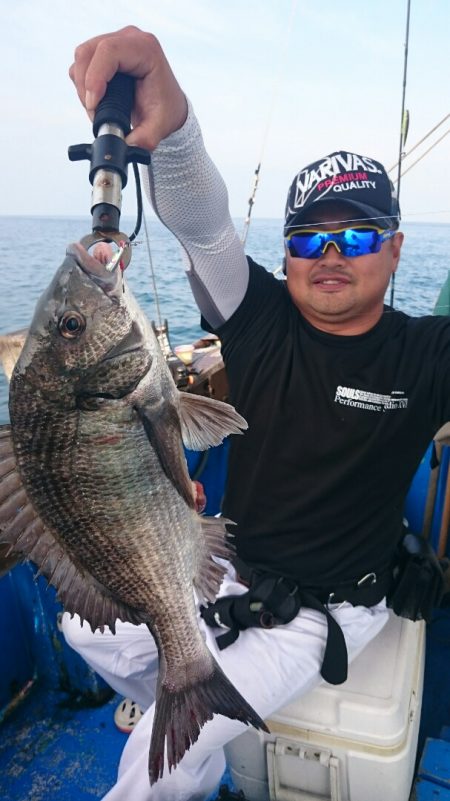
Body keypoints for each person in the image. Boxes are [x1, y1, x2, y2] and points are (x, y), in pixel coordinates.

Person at [62, 26, 450, 801]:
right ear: (288, 255)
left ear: (396, 249)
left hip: (323, 608)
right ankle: (188, 715)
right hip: (224, 565)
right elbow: (204, 222)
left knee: (159, 759)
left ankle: (184, 731)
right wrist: (174, 130)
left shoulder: (428, 354)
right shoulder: (258, 315)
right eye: (309, 239)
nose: (331, 254)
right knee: (83, 627)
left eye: (357, 235)